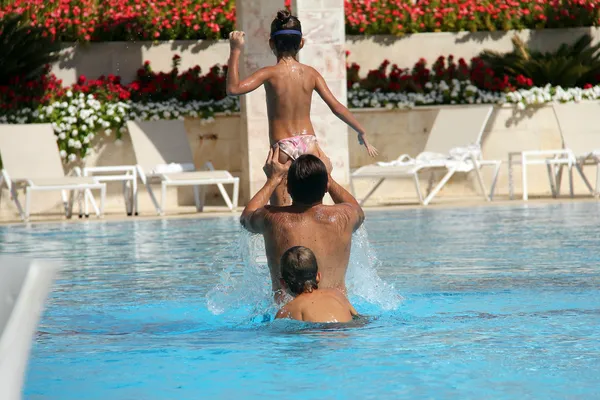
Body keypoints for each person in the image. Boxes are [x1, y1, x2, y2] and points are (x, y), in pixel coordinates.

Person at [226, 9, 378, 205]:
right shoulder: (311, 73)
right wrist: (361, 130)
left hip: (283, 147)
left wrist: (235, 50)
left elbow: (233, 89)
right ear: (301, 43)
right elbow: (336, 107)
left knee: (279, 216)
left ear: (272, 43)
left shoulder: (269, 73)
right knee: (315, 211)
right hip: (310, 144)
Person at [240, 146, 365, 303]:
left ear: (288, 188)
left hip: (288, 314)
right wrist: (329, 178)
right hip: (338, 312)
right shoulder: (345, 216)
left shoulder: (272, 218)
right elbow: (358, 211)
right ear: (326, 186)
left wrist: (273, 180)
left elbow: (245, 218)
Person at [275, 246, 358, 323]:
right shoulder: (337, 294)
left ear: (283, 283)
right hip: (346, 333)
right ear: (318, 276)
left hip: (318, 335)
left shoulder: (286, 311)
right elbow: (359, 319)